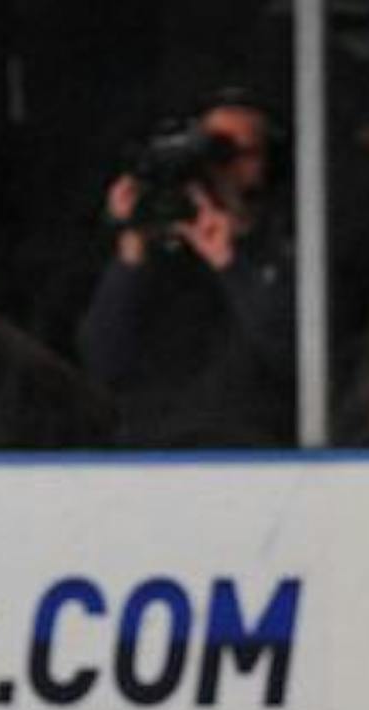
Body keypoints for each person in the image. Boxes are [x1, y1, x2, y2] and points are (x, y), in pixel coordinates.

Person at [76, 90, 295, 448]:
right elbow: (104, 361)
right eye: (210, 152)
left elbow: (294, 355)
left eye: (233, 153)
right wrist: (131, 250)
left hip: (257, 457)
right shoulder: (157, 253)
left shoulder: (289, 248)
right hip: (154, 455)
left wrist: (230, 263)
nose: (219, 168)